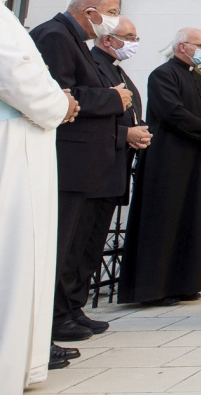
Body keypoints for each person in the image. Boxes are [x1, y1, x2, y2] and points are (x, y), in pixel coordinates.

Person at [0, 0, 79, 388]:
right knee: (0, 255)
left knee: (20, 253)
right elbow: (13, 72)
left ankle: (19, 360)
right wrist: (60, 103)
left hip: (17, 142)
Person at [30, 0, 130, 344]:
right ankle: (54, 319)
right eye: (113, 12)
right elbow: (60, 93)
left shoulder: (77, 41)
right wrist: (111, 99)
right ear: (91, 11)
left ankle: (72, 309)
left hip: (90, 165)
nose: (114, 21)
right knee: (63, 247)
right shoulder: (55, 36)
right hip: (71, 161)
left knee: (80, 247)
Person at [119, 28, 201, 306]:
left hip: (194, 159)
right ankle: (155, 289)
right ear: (182, 46)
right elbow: (172, 112)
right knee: (164, 222)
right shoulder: (163, 75)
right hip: (168, 159)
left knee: (192, 219)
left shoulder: (199, 79)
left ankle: (184, 283)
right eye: (200, 45)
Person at [68, 19, 150, 327]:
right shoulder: (94, 64)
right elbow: (83, 114)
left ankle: (76, 308)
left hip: (113, 166)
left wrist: (136, 130)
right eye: (128, 36)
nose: (134, 41)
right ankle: (64, 311)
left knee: (91, 248)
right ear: (107, 39)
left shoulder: (116, 68)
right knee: (77, 247)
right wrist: (124, 133)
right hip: (93, 166)